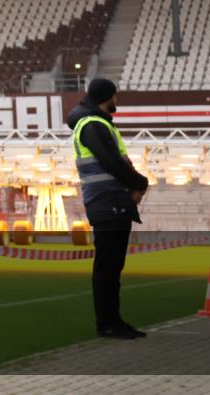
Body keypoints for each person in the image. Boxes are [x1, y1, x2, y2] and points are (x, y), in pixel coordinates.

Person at [66, 78, 150, 340]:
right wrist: (140, 183)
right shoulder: (93, 125)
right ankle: (108, 323)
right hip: (107, 201)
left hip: (110, 201)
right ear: (106, 97)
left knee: (112, 267)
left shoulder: (94, 123)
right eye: (115, 96)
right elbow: (112, 163)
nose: (117, 100)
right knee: (108, 268)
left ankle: (113, 321)